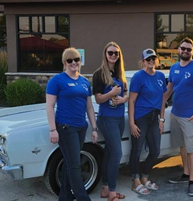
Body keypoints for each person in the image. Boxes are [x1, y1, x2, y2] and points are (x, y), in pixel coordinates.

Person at [46, 47, 98, 201]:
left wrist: (94, 128)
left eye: (77, 59)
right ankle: (83, 198)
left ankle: (65, 197)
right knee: (75, 164)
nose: (74, 62)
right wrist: (52, 129)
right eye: (70, 60)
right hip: (66, 128)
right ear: (64, 63)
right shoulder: (57, 80)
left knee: (71, 163)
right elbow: (49, 106)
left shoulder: (84, 81)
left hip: (82, 127)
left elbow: (89, 106)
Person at [164, 37, 193, 197]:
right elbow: (169, 90)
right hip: (176, 114)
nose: (185, 51)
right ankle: (185, 173)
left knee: (191, 149)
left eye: (188, 49)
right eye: (183, 48)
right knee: (182, 146)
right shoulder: (174, 67)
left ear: (192, 51)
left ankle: (192, 181)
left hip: (190, 116)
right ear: (179, 50)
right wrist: (158, 103)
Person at [129, 48, 167, 195]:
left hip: (154, 117)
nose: (151, 61)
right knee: (137, 150)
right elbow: (131, 101)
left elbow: (163, 99)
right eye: (148, 59)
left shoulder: (160, 76)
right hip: (141, 117)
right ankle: (135, 180)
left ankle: (145, 177)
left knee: (155, 150)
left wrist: (162, 119)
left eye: (153, 58)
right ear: (143, 61)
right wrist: (132, 123)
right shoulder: (138, 77)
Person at [92, 42, 127, 201]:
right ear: (105, 54)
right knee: (117, 154)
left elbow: (126, 94)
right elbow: (98, 99)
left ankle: (105, 188)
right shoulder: (99, 74)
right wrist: (111, 93)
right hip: (107, 118)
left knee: (109, 152)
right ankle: (112, 192)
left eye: (116, 53)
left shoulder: (120, 73)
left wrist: (122, 99)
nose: (113, 55)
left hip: (119, 118)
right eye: (110, 53)